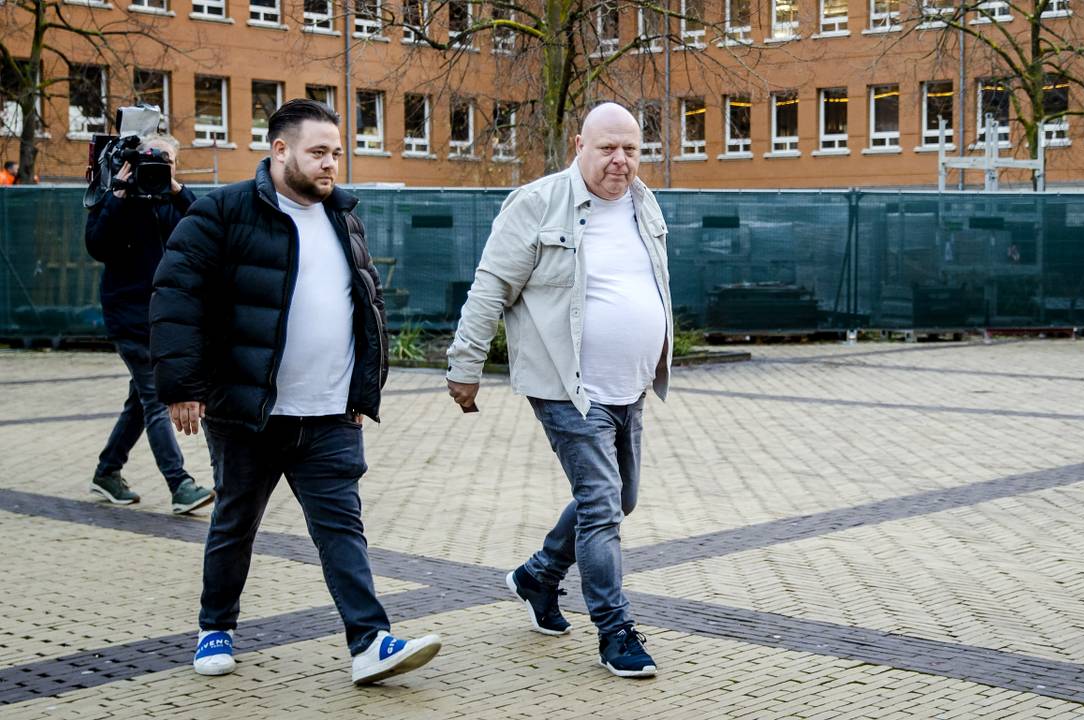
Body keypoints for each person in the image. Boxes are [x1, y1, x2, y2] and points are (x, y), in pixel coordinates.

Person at [150, 99, 441, 684]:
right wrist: (182, 387)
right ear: (279, 149)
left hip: (331, 413)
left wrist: (363, 392)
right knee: (236, 521)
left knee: (342, 527)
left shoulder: (344, 218)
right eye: (318, 152)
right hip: (249, 412)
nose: (331, 164)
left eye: (336, 152)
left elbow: (368, 308)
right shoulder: (221, 212)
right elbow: (176, 298)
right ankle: (216, 627)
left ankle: (369, 641)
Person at [446, 102, 674, 679]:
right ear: (579, 144)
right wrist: (465, 365)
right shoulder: (537, 204)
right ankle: (615, 631)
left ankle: (537, 576)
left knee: (620, 498)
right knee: (601, 507)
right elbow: (490, 287)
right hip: (567, 388)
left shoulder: (645, 204)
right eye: (607, 148)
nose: (620, 160)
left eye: (630, 149)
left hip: (630, 387)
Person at [83, 134, 215, 514]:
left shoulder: (172, 200)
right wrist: (119, 195)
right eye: (152, 159)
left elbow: (208, 230)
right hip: (130, 318)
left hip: (165, 318)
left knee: (140, 402)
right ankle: (180, 485)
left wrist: (175, 188)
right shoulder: (118, 198)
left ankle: (107, 472)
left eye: (167, 159)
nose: (158, 165)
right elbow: (97, 246)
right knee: (157, 397)